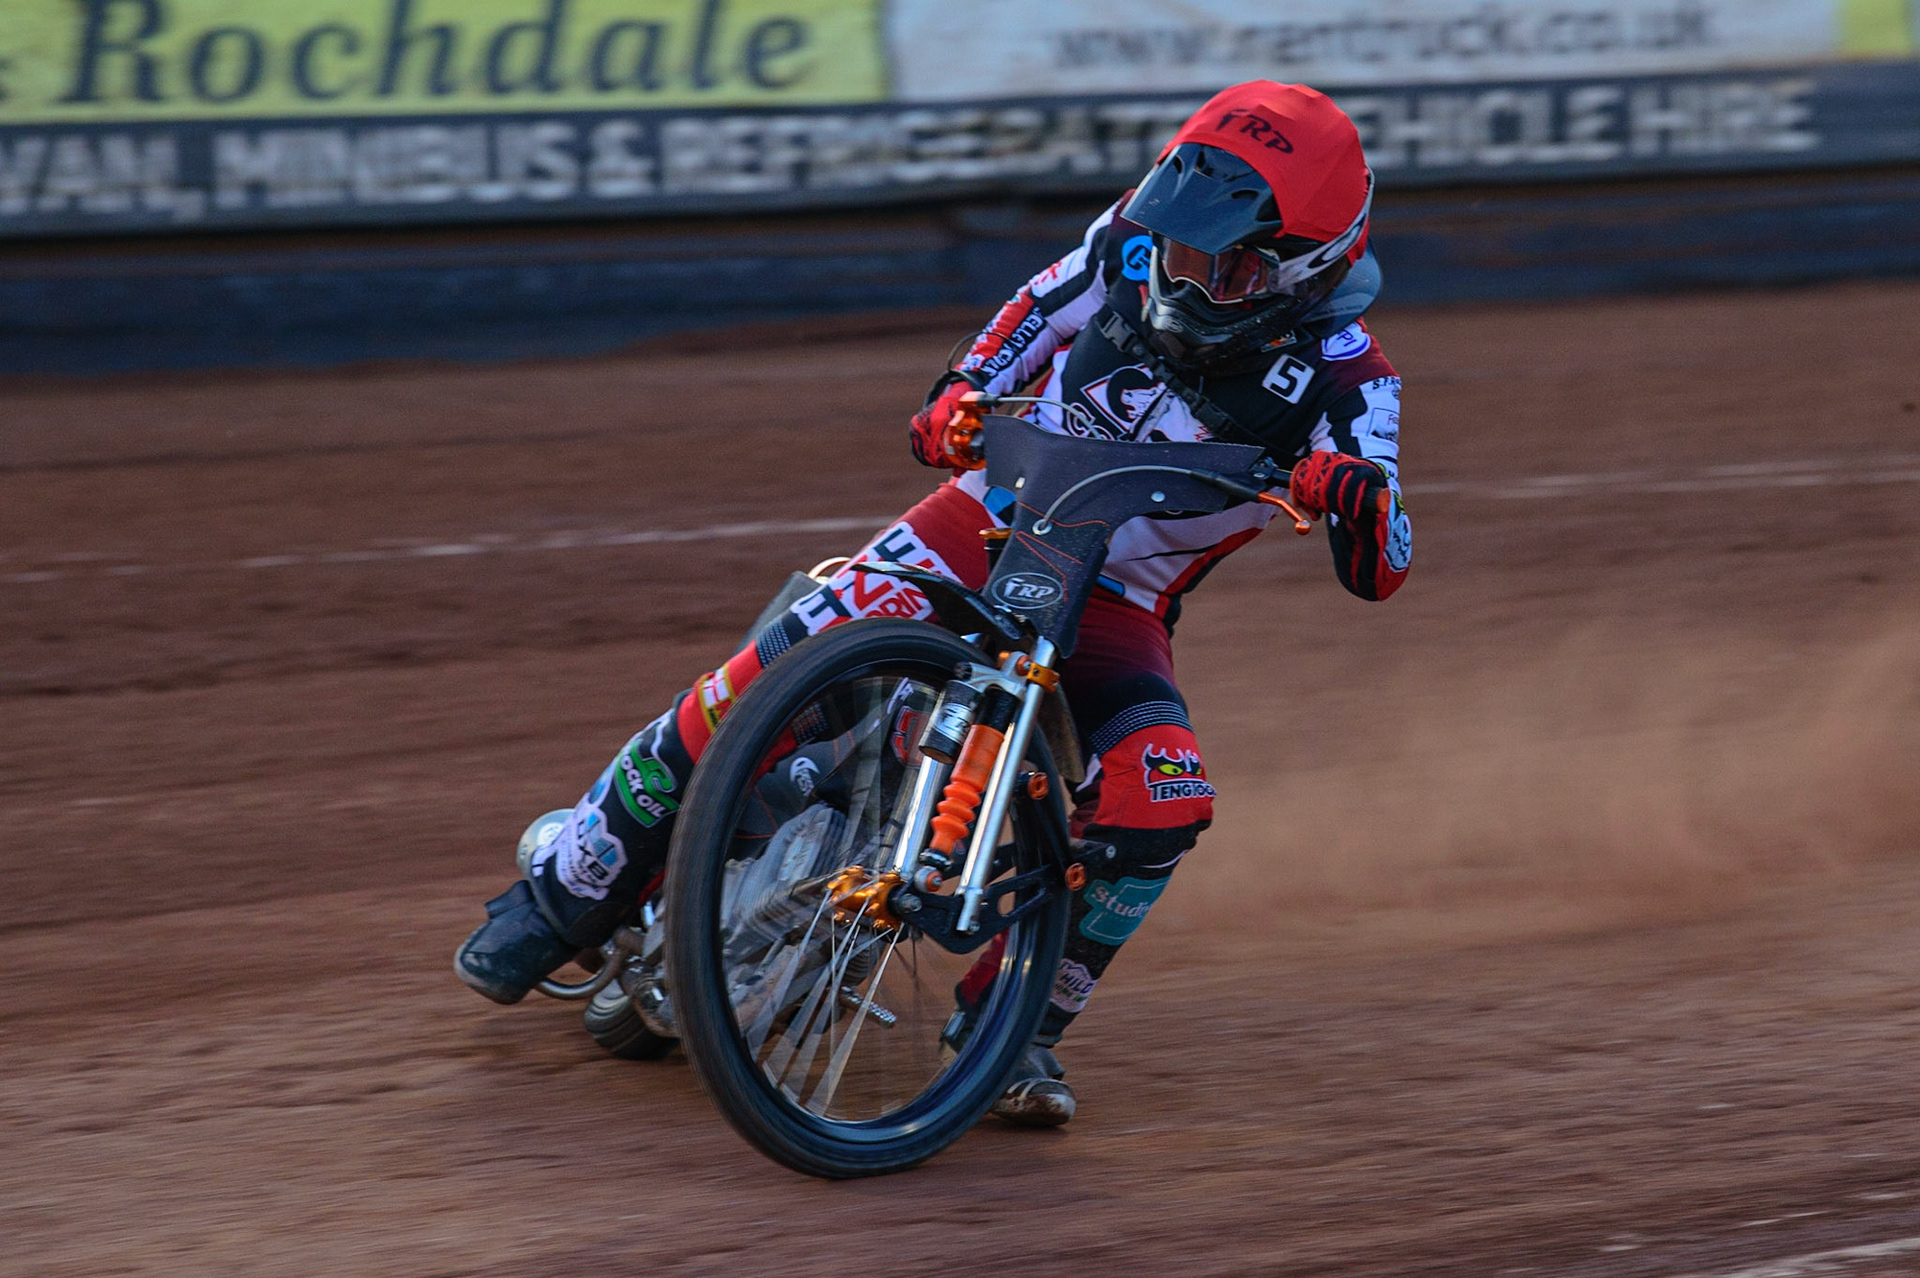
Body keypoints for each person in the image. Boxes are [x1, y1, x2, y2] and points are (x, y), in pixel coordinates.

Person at [455, 80, 1411, 1127]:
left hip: (1115, 606)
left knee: (1164, 801)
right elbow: (1026, 320)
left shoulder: (1349, 378)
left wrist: (1355, 497)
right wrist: (955, 399)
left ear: (1304, 267)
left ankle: (1012, 1026)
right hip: (977, 526)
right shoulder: (1127, 246)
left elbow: (1384, 562)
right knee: (756, 681)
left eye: (1221, 263)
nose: (1182, 271)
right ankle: (558, 900)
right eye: (1179, 241)